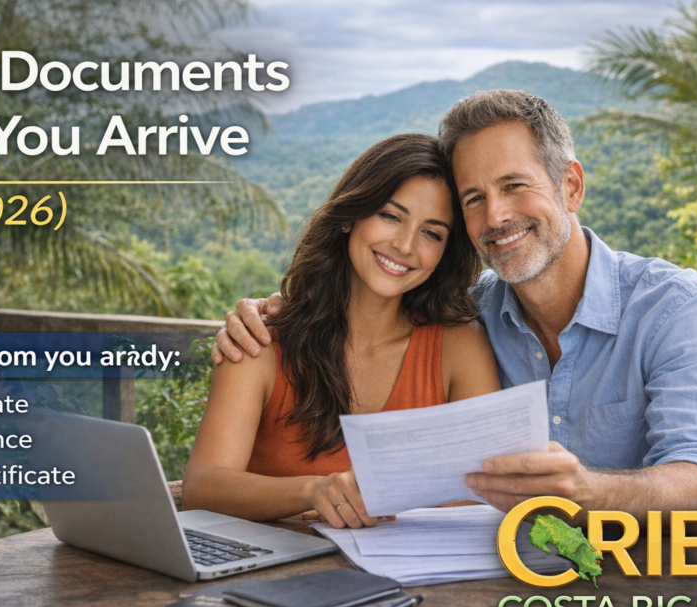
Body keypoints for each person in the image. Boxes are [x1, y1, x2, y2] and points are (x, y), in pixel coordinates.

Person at [213, 90, 697, 537]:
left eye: (515, 185)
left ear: (571, 186)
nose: (496, 215)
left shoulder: (679, 310)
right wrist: (272, 310)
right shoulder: (468, 313)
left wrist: (589, 492)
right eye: (473, 198)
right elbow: (376, 296)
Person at [181, 134, 502, 529]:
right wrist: (315, 491)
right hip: (265, 580)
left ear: (444, 252)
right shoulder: (260, 339)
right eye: (390, 215)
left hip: (409, 582)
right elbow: (203, 486)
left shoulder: (460, 346)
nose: (404, 245)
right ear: (351, 215)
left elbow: (486, 493)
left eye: (431, 233)